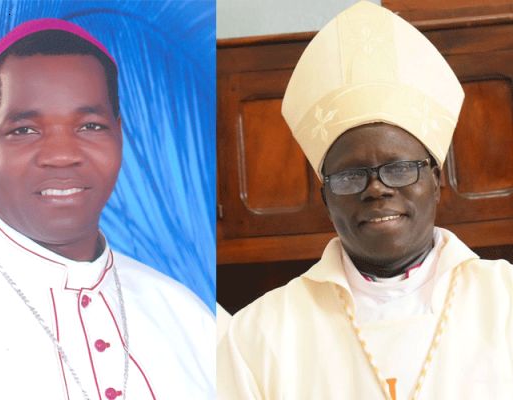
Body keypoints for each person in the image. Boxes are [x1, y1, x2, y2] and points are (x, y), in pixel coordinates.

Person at [217, 2, 513, 399]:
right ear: (326, 197)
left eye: (400, 168)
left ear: (436, 180)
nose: (376, 189)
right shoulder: (259, 334)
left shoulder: (504, 300)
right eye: (350, 176)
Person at [0, 19, 214, 400]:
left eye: (90, 126)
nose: (61, 156)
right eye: (24, 130)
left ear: (119, 136)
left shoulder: (188, 317)